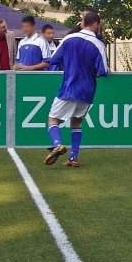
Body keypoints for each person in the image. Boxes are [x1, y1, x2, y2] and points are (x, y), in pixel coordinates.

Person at [44, 11, 108, 168]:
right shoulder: (99, 44)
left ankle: (58, 144)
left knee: (53, 119)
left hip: (69, 87)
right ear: (96, 24)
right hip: (87, 90)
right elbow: (103, 71)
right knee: (77, 123)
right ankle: (73, 157)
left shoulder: (69, 39)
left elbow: (54, 59)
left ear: (82, 23)